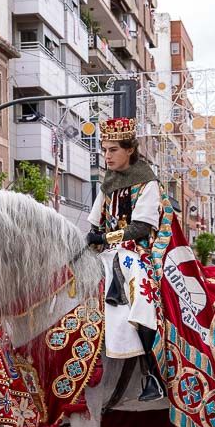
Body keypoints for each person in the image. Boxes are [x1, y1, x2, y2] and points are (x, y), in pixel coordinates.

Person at [85, 118, 164, 401]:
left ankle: (153, 373)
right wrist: (91, 239)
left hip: (136, 253)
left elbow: (142, 227)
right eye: (104, 150)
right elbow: (95, 222)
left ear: (130, 150)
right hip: (106, 254)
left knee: (141, 296)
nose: (107, 156)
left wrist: (105, 239)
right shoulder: (108, 182)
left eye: (113, 150)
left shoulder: (147, 182)